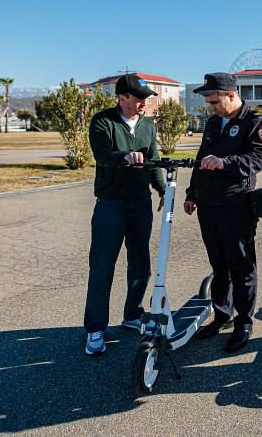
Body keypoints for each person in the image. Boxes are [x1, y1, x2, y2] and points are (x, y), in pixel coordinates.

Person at [184, 72, 262, 353]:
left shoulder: (254, 123)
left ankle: (243, 321)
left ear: (231, 95)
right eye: (209, 103)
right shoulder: (212, 123)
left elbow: (258, 159)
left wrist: (225, 162)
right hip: (208, 205)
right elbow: (201, 159)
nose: (211, 107)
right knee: (219, 265)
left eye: (214, 101)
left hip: (237, 205)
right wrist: (191, 194)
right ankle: (222, 314)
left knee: (241, 265)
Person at [82, 74, 166, 355]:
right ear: (122, 98)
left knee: (140, 263)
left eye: (145, 98)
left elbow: (153, 158)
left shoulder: (148, 125)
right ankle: (95, 328)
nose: (144, 103)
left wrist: (163, 188)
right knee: (102, 266)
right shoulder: (103, 121)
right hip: (111, 203)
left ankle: (132, 314)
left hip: (140, 203)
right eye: (139, 98)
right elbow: (103, 155)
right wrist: (125, 156)